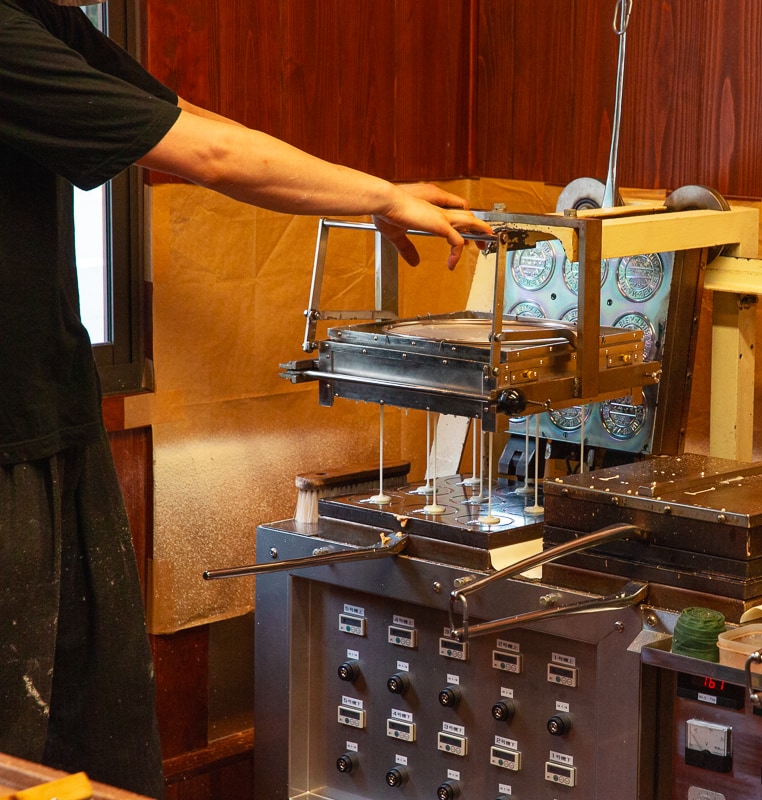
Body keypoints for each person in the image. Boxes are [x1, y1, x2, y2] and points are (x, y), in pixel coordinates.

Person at [0, 0, 492, 796]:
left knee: (90, 742)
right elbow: (213, 154)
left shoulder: (36, 15)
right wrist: (374, 198)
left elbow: (185, 114)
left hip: (53, 411)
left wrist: (372, 189)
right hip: (7, 445)